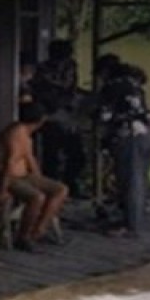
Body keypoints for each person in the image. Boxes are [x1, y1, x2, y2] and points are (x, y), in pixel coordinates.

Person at [0, 101, 69, 251]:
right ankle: (23, 237)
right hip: (4, 176)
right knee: (37, 197)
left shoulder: (26, 133)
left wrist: (39, 179)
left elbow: (30, 158)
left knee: (60, 189)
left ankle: (39, 229)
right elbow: (10, 162)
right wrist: (3, 190)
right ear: (41, 120)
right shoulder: (16, 133)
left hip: (23, 175)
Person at [97, 61, 150, 238]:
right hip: (146, 134)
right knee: (139, 179)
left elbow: (104, 114)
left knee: (130, 182)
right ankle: (133, 219)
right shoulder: (135, 85)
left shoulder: (113, 86)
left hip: (128, 136)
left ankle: (131, 225)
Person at [32, 40, 86, 196]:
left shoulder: (70, 66)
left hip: (68, 114)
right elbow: (44, 90)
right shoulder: (43, 69)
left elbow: (71, 87)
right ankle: (52, 186)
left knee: (77, 154)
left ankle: (70, 182)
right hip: (50, 116)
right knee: (51, 155)